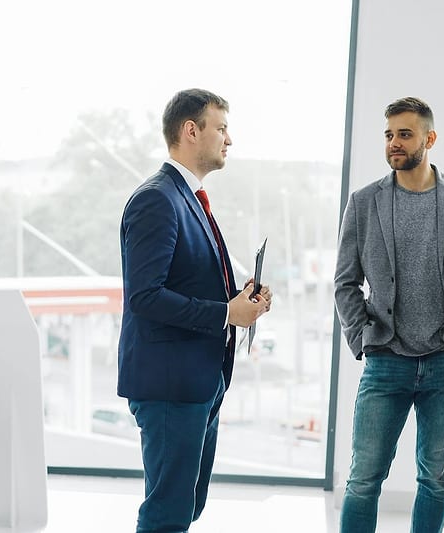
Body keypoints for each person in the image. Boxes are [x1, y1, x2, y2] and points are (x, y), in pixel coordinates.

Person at [334, 96, 444, 533]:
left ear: (430, 138)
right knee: (363, 479)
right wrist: (362, 337)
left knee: (435, 478)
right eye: (389, 135)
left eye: (404, 134)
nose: (394, 143)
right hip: (386, 359)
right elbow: (345, 282)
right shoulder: (364, 202)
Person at [117, 88, 271, 533]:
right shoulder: (157, 200)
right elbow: (144, 297)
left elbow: (188, 280)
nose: (229, 139)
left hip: (199, 380)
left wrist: (242, 300)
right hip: (171, 385)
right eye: (221, 128)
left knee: (185, 508)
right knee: (167, 514)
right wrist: (226, 315)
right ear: (191, 130)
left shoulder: (188, 197)